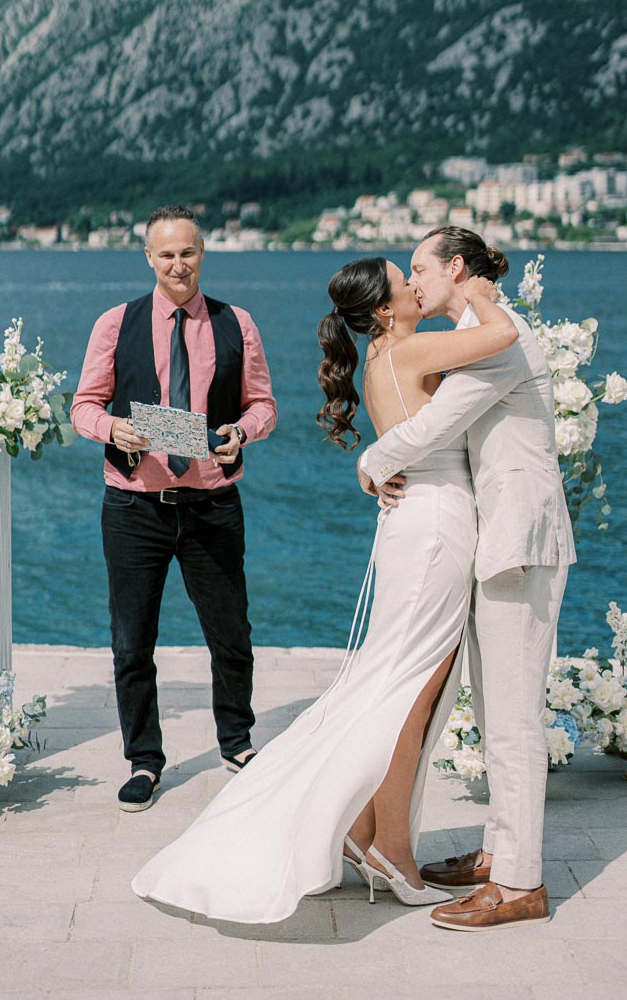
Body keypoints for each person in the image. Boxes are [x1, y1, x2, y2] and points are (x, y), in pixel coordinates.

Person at [131, 254, 518, 922]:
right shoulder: (415, 348)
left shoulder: (380, 360)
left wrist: (372, 469)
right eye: (407, 281)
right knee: (409, 697)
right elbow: (504, 335)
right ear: (384, 310)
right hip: (432, 530)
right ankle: (387, 846)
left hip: (414, 528)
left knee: (398, 691)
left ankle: (371, 834)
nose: (417, 285)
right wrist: (476, 290)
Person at [359, 226, 576, 932]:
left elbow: (437, 424)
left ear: (456, 267)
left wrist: (369, 462)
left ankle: (519, 884)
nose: (414, 282)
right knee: (495, 716)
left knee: (512, 722)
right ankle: (497, 852)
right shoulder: (485, 329)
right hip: (501, 540)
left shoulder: (500, 337)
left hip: (519, 540)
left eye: (420, 268)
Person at [70, 205, 277, 812]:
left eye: (187, 252)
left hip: (213, 503)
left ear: (202, 253)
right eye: (167, 254)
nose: (178, 263)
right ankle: (144, 760)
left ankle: (237, 742)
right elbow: (83, 404)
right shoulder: (116, 323)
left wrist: (244, 432)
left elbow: (263, 404)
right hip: (135, 508)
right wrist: (114, 430)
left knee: (232, 634)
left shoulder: (237, 323)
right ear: (149, 258)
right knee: (132, 643)